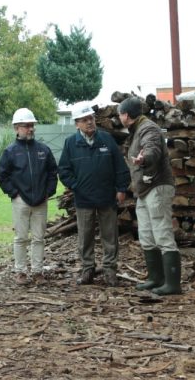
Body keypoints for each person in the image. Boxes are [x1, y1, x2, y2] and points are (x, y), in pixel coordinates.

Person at [58, 102, 130, 287]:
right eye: (84, 120)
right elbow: (64, 170)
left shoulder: (106, 140)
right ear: (77, 124)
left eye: (91, 118)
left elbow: (120, 167)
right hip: (84, 199)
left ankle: (110, 271)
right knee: (85, 237)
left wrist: (121, 189)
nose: (89, 122)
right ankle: (87, 270)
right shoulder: (70, 143)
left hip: (107, 197)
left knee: (110, 236)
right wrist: (76, 185)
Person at [118, 96, 181, 295]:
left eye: (120, 114)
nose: (119, 118)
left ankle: (172, 284)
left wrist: (144, 159)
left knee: (162, 232)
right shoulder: (137, 129)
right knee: (146, 234)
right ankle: (156, 278)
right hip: (144, 190)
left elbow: (152, 147)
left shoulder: (148, 128)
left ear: (126, 115)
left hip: (157, 186)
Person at [0, 108, 58, 286]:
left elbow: (53, 172)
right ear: (16, 128)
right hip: (20, 200)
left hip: (41, 200)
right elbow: (2, 176)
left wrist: (49, 192)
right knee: (21, 238)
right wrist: (14, 193)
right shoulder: (10, 151)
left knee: (39, 238)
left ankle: (38, 272)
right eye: (26, 126)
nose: (30, 129)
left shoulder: (43, 150)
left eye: (32, 125)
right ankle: (20, 272)